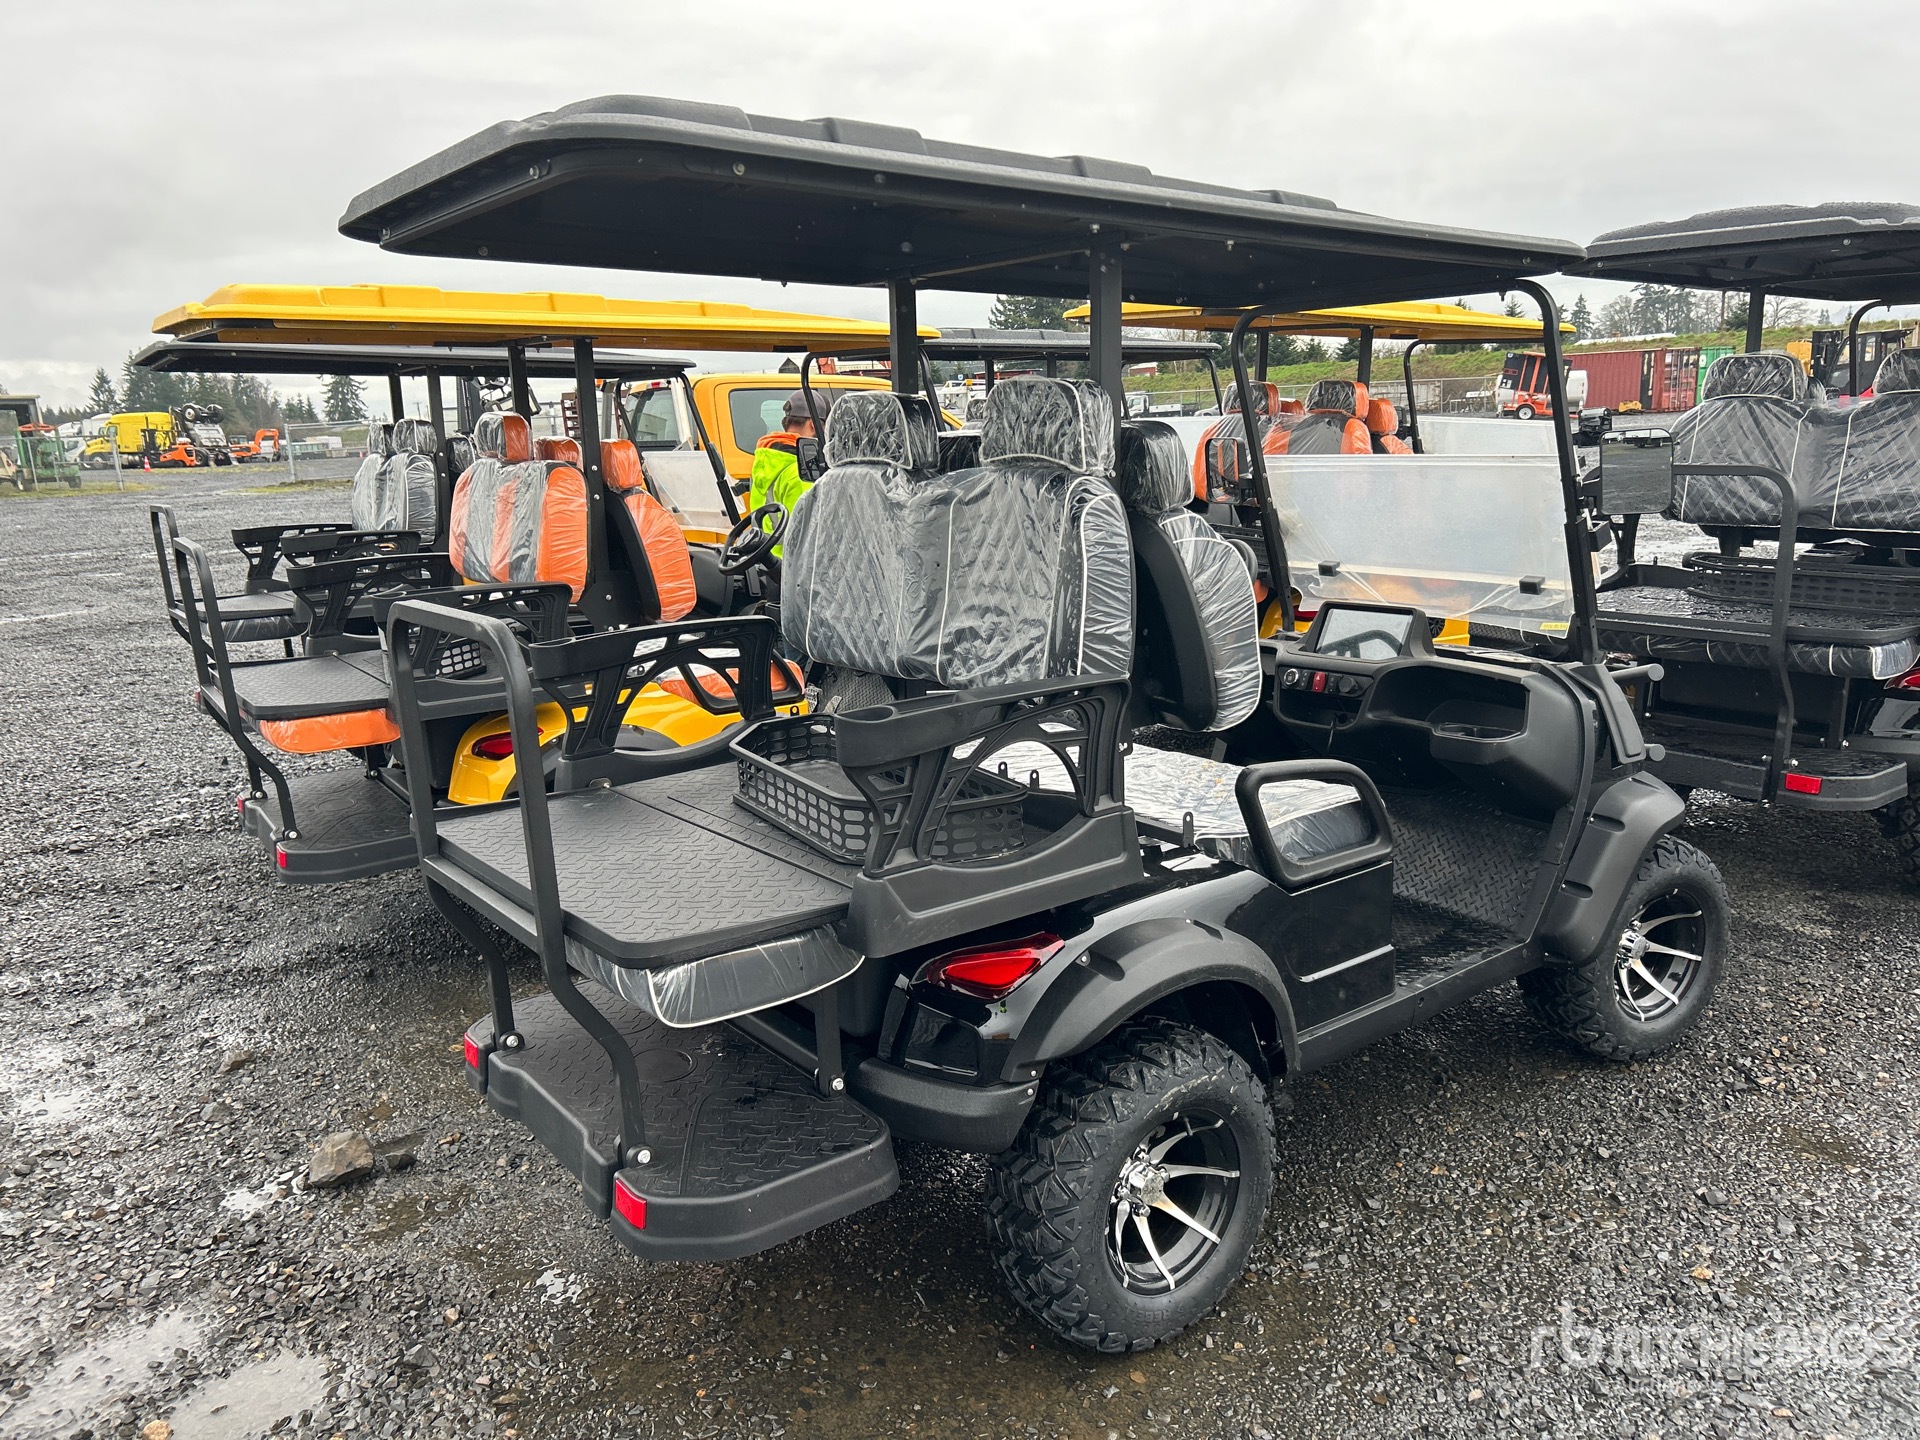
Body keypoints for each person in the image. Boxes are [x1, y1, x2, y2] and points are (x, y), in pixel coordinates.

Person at [747, 390, 832, 551]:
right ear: (813, 424)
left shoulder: (767, 459)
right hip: (790, 563)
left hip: (765, 557)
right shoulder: (801, 472)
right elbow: (808, 535)